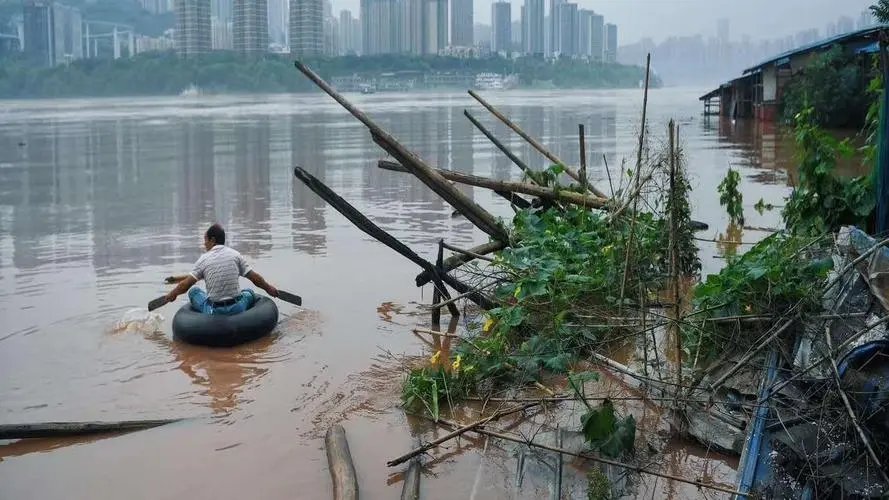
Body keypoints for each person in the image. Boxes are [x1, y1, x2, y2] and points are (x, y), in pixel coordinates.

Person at [164, 224, 278, 315]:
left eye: (205, 240)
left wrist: (172, 294)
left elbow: (185, 284)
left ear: (212, 240)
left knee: (194, 291)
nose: (204, 244)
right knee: (249, 292)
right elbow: (255, 278)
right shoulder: (236, 255)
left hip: (214, 311)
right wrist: (269, 288)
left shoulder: (203, 259)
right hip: (238, 308)